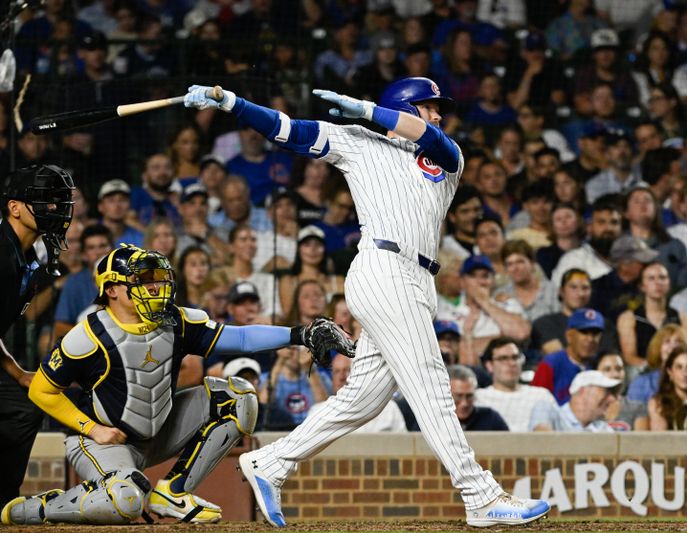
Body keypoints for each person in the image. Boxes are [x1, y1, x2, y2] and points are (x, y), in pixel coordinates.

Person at [183, 78, 551, 526]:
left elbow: (431, 138)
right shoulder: (356, 142)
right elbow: (288, 130)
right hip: (383, 268)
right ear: (404, 107)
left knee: (363, 400)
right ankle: (479, 494)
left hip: (418, 278)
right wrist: (232, 102)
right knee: (432, 386)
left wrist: (367, 109)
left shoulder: (445, 154)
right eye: (428, 106)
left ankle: (271, 462)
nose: (438, 114)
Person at [2, 245, 354, 525]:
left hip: (158, 431)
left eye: (156, 278)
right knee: (125, 501)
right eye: (141, 281)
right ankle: (35, 510)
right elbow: (41, 390)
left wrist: (300, 333)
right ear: (111, 290)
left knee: (237, 397)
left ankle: (173, 491)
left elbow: (243, 337)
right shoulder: (88, 335)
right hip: (103, 440)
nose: (154, 287)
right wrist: (92, 429)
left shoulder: (177, 320)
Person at [0, 165, 74, 509]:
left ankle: (2, 503)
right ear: (15, 207)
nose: (54, 210)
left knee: (25, 407)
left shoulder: (28, 255)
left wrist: (17, 373)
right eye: (44, 201)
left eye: (58, 202)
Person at [616, 261, 687, 369]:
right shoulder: (628, 318)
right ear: (642, 286)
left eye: (662, 278)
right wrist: (657, 371)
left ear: (669, 284)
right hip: (643, 372)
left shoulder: (683, 319)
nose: (658, 283)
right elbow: (629, 357)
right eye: (651, 278)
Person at [474, 338, 556, 432]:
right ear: (490, 365)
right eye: (503, 358)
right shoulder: (478, 398)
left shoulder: (541, 395)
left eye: (515, 357)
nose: (512, 363)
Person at [309, 354, 407, 433]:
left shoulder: (389, 409)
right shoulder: (318, 412)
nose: (341, 377)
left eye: (347, 370)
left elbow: (404, 448)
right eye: (337, 372)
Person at [532, 308, 605, 405]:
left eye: (595, 333)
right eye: (584, 332)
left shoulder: (600, 365)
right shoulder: (551, 364)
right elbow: (535, 403)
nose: (590, 339)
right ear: (569, 335)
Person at [530, 370, 621, 432]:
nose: (612, 399)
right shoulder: (547, 410)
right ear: (583, 391)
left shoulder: (602, 428)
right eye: (606, 391)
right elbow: (542, 444)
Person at [531, 268, 592, 357]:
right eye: (573, 287)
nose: (580, 294)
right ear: (561, 291)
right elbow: (557, 357)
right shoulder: (544, 324)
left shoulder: (604, 325)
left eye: (585, 288)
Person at [627, 323, 687, 404]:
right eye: (667, 341)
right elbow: (633, 414)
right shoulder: (641, 383)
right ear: (658, 348)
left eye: (678, 342)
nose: (672, 346)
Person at [594, 352, 649, 431]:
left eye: (619, 369)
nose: (615, 374)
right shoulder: (588, 410)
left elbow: (641, 442)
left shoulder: (638, 408)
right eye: (607, 369)